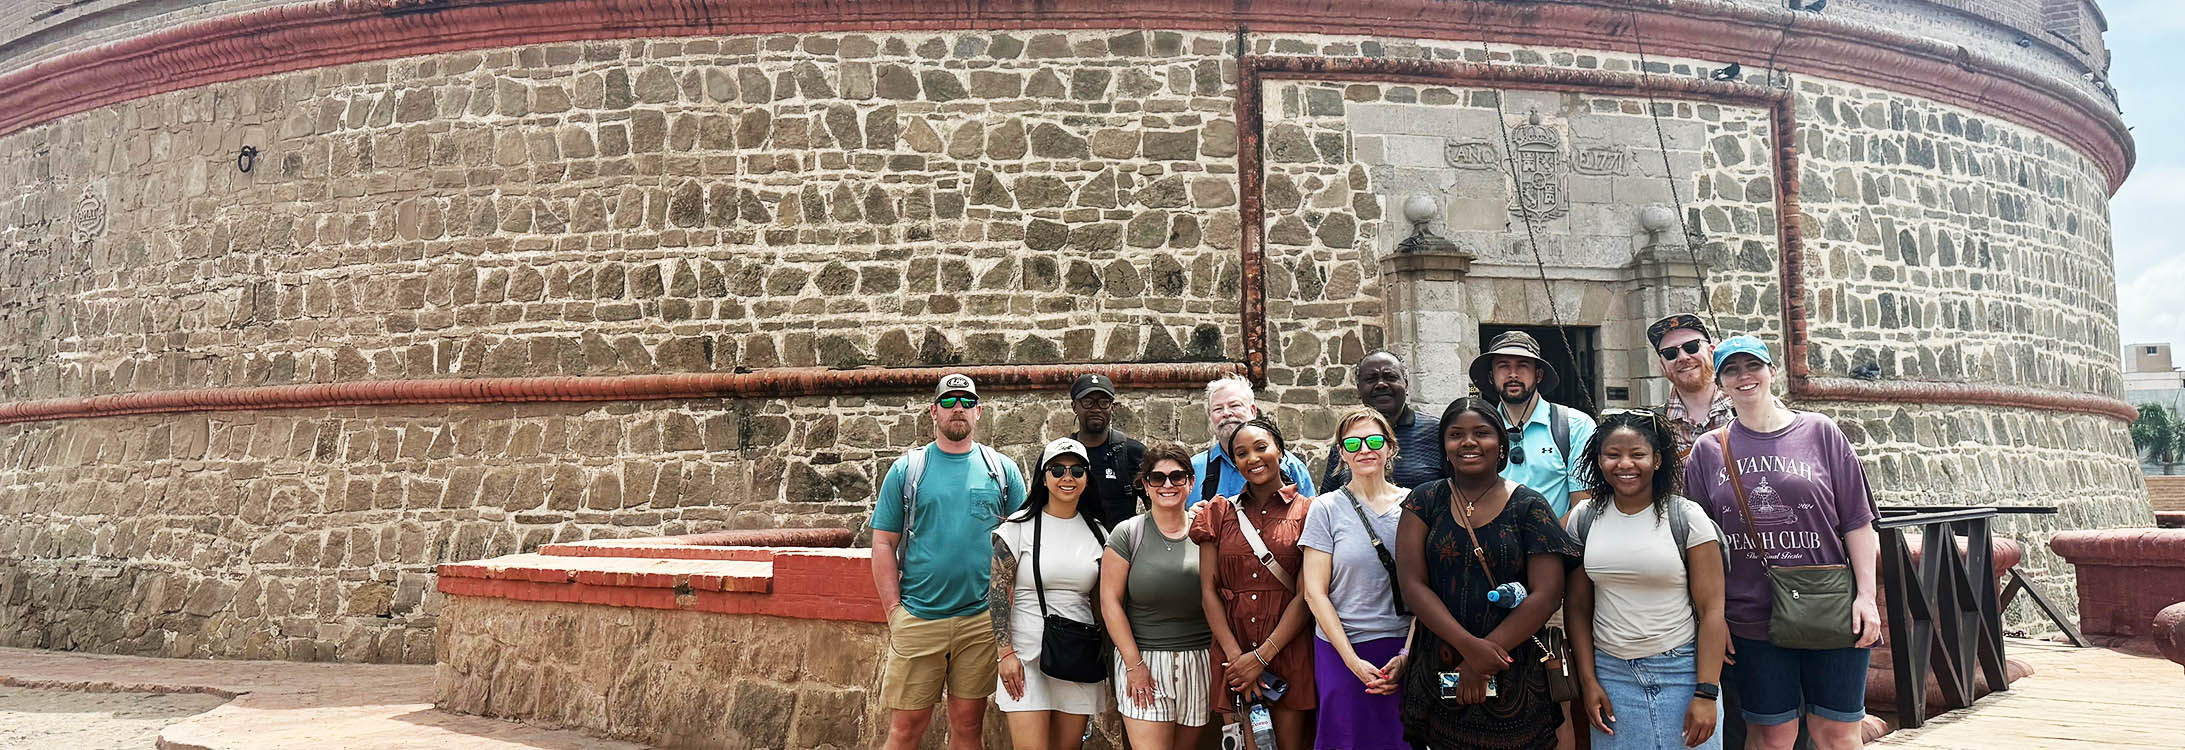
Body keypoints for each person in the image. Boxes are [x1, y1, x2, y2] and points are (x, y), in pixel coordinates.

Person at [1681, 336, 1882, 750]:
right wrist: (1712, 622)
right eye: (1731, 370)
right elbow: (1699, 547)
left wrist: (1867, 597)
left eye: (1752, 366)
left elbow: (1858, 523)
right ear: (1720, 383)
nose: (1744, 377)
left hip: (1831, 607)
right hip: (1751, 615)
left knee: (1837, 734)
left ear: (1772, 372)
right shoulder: (1707, 452)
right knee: (1771, 736)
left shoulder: (1821, 432)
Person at [1395, 397, 1581, 750]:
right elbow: (1413, 585)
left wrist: (1485, 657)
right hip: (1440, 664)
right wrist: (1470, 649)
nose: (1468, 442)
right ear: (1444, 447)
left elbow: (1547, 593)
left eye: (1481, 433)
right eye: (1456, 434)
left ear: (1501, 444)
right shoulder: (1423, 501)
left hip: (1514, 666)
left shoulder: (1529, 505)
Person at [873, 373, 1029, 750]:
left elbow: (1022, 542)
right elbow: (882, 543)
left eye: (965, 402)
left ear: (978, 412)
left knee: (967, 726)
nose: (956, 408)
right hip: (919, 616)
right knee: (906, 728)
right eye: (947, 402)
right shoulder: (909, 470)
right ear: (933, 411)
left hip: (978, 621)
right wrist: (894, 611)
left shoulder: (1002, 471)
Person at [1565, 409, 1728, 750]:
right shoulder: (1584, 518)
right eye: (1613, 455)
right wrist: (1588, 679)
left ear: (1656, 460)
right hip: (1611, 675)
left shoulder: (1686, 517)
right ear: (1599, 460)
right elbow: (1577, 607)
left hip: (1682, 671)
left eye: (1637, 454)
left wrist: (1706, 692)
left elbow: (1712, 609)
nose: (1625, 464)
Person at [1191, 415, 1318, 750]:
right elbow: (1208, 591)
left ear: (1280, 451)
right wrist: (1238, 659)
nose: (1253, 458)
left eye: (1261, 447)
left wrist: (1261, 657)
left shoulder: (1310, 512)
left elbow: (1307, 594)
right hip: (1234, 649)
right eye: (1242, 453)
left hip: (1288, 646)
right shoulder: (1217, 513)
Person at [1300, 408, 1414, 750]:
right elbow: (1314, 593)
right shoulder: (1325, 508)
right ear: (1342, 452)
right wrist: (1351, 661)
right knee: (1346, 739)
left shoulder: (1415, 505)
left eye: (1375, 440)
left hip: (1401, 644)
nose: (1365, 449)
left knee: (1401, 740)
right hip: (1340, 647)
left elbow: (1426, 588)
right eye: (1353, 442)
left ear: (1390, 447)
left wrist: (1408, 654)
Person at [990, 437, 1110, 749]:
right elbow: (998, 593)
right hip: (1026, 658)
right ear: (1044, 477)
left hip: (1077, 656)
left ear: (1087, 478)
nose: (1067, 477)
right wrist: (1005, 653)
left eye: (1076, 470)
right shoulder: (1017, 527)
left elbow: (1102, 600)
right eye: (1057, 470)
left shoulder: (1098, 532)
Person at [1100, 442, 1214, 750]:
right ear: (1145, 485)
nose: (1167, 485)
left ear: (1191, 482)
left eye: (1177, 477)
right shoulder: (1127, 534)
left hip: (1199, 662)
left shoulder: (1206, 532)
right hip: (1145, 660)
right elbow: (1110, 601)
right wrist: (1134, 665)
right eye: (1157, 478)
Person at [1470, 331, 1596, 519]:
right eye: (1503, 366)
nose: (1513, 374)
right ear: (1491, 376)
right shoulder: (1477, 431)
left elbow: (1583, 505)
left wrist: (1545, 543)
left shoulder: (1575, 426)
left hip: (1555, 544)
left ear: (1538, 374)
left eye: (1522, 366)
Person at [1321, 352, 1447, 491]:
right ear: (1358, 389)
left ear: (1405, 384)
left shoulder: (1438, 433)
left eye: (1391, 377)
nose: (1381, 384)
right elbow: (1329, 498)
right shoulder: (1348, 438)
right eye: (1370, 379)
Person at [1190, 374, 1316, 506]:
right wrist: (1190, 517)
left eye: (1234, 405)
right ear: (1210, 417)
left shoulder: (1291, 467)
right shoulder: (1194, 469)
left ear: (1253, 411)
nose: (1226, 413)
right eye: (1218, 409)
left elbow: (1311, 518)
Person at [1646, 314, 1735, 462]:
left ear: (1712, 352)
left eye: (1691, 347)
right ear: (1662, 366)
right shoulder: (1654, 426)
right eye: (1670, 353)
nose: (1683, 357)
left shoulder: (1751, 409)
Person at [1071, 373, 1147, 529]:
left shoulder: (1133, 453)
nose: (1096, 409)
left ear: (1112, 407)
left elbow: (1155, 506)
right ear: (1074, 407)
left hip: (1123, 549)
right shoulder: (1062, 456)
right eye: (1088, 402)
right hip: (1073, 548)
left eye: (1104, 402)